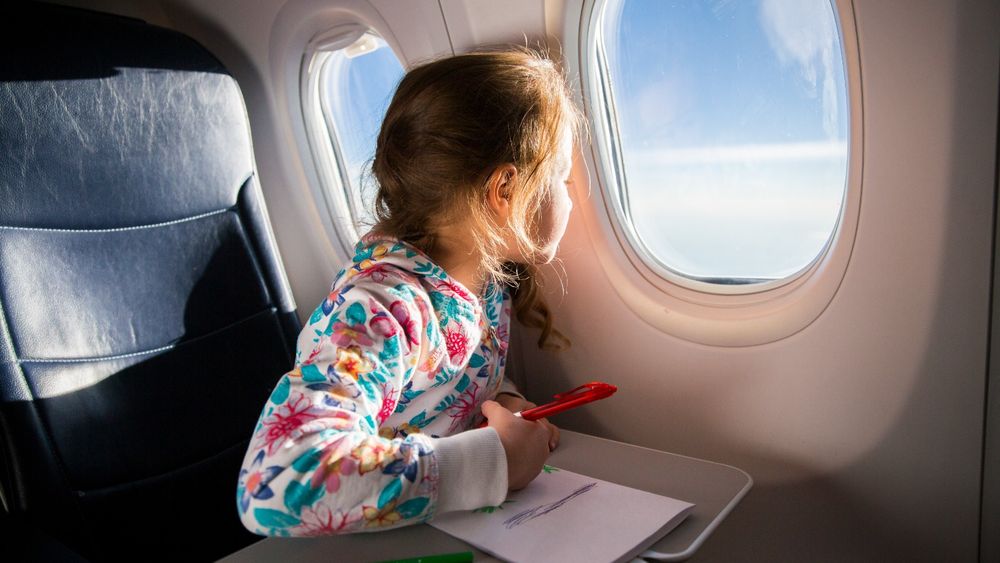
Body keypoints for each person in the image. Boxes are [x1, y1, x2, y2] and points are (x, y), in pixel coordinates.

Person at [237, 47, 582, 536]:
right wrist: (493, 462)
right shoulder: (382, 310)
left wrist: (501, 404)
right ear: (505, 189)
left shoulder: (482, 288)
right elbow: (277, 483)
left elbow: (439, 395)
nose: (571, 196)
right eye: (563, 178)